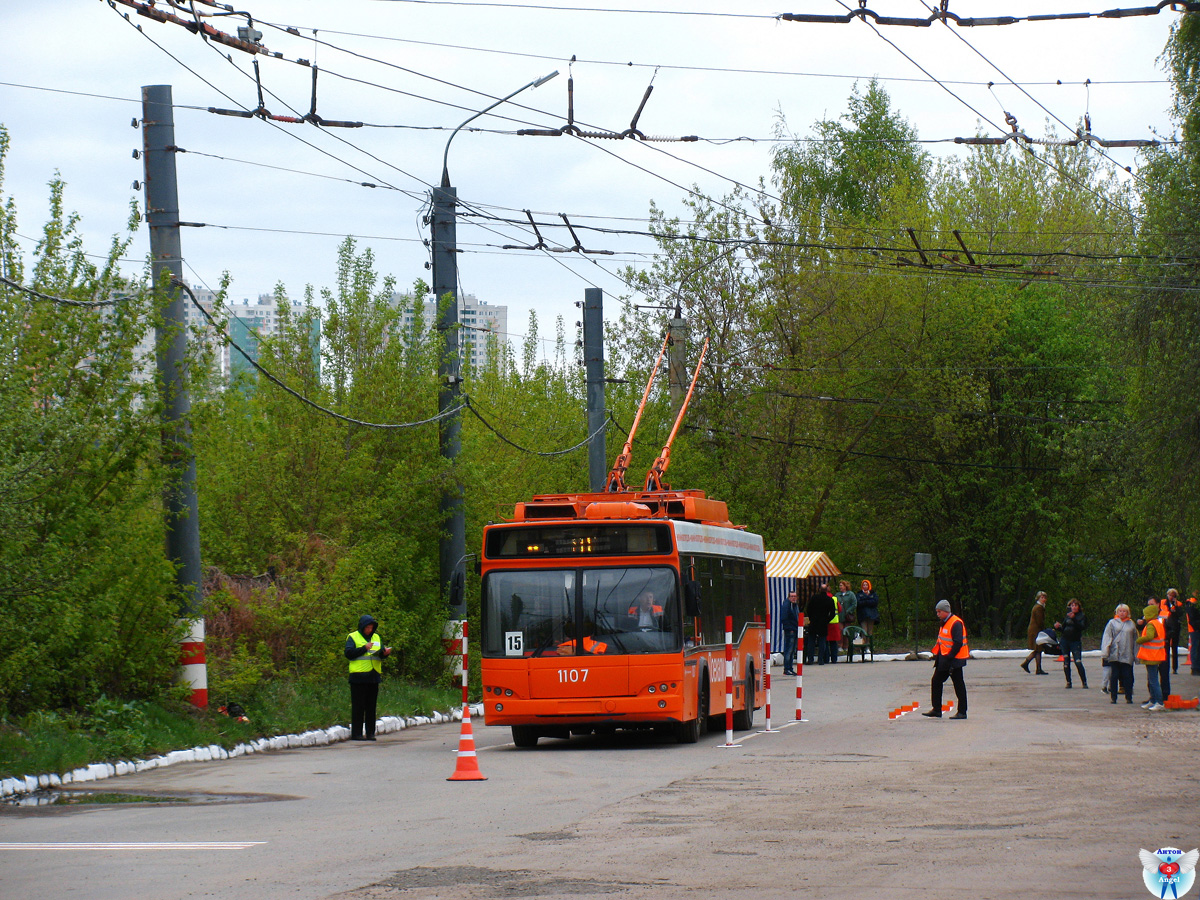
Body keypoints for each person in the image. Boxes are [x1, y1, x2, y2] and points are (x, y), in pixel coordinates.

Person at [345, 614, 393, 741]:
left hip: (373, 676)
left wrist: (385, 653)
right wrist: (364, 648)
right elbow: (349, 654)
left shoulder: (376, 637)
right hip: (358, 677)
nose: (370, 630)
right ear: (362, 627)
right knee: (358, 707)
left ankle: (370, 733)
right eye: (367, 627)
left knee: (371, 707)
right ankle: (357, 733)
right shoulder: (353, 637)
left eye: (372, 627)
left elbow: (379, 654)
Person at [922, 599, 968, 719]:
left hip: (954, 660)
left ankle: (962, 712)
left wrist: (950, 657)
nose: (938, 614)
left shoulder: (956, 622)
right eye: (937, 612)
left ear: (946, 611)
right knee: (936, 681)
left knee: (958, 685)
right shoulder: (945, 622)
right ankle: (937, 709)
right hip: (944, 659)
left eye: (939, 612)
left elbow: (958, 643)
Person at [1099, 604, 1137, 704]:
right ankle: (1113, 697)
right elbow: (1107, 637)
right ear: (1116, 612)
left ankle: (1129, 697)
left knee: (1127, 676)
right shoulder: (1111, 623)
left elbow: (1135, 640)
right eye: (1120, 611)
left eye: (1124, 611)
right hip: (1114, 654)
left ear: (1128, 612)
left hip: (1127, 654)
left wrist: (1136, 654)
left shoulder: (1131, 624)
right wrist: (1105, 651)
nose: (1122, 613)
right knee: (1114, 676)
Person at [1136, 603, 1167, 711]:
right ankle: (1153, 700)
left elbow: (1149, 636)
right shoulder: (1158, 623)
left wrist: (1139, 640)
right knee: (1152, 679)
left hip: (1151, 655)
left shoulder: (1151, 624)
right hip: (1156, 654)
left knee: (1153, 680)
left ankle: (1158, 701)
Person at [1054, 598, 1088, 688]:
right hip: (1065, 641)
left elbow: (1082, 627)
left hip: (1075, 641)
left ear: (1079, 607)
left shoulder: (1081, 616)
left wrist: (1074, 619)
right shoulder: (1068, 616)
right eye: (1072, 605)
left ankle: (1084, 682)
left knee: (1078, 661)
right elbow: (1063, 629)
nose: (1073, 607)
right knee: (1066, 662)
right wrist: (1058, 627)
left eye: (1075, 605)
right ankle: (1068, 682)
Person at [806, 582, 836, 665]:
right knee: (822, 642)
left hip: (814, 622)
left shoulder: (814, 598)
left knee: (811, 641)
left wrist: (811, 618)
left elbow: (808, 609)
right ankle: (820, 660)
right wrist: (827, 620)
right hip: (823, 623)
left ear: (819, 589)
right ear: (826, 590)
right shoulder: (830, 600)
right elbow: (833, 613)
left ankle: (810, 659)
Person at [1021, 591, 1049, 674]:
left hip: (1036, 630)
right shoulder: (1038, 608)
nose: (1043, 599)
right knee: (1038, 648)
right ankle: (1027, 663)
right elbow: (1039, 621)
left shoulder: (1040, 607)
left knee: (1038, 649)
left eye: (1045, 597)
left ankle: (1037, 668)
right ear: (1038, 598)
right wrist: (1044, 630)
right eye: (1042, 597)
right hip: (1035, 630)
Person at [1164, 588, 1187, 675]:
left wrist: (1175, 606)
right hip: (1166, 626)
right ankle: (1165, 666)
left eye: (1173, 596)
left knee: (1174, 648)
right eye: (1170, 595)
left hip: (1175, 626)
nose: (1171, 597)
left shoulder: (1178, 604)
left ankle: (1175, 668)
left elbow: (1180, 614)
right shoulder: (1163, 603)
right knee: (1165, 647)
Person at [780, 589, 800, 676]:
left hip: (794, 629)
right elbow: (784, 617)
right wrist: (789, 627)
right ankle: (787, 668)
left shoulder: (794, 605)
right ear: (789, 597)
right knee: (789, 649)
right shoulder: (787, 605)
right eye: (792, 596)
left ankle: (790, 667)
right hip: (790, 630)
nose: (793, 598)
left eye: (794, 596)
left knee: (792, 650)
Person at [855, 579, 880, 649]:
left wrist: (865, 601)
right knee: (864, 631)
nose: (865, 586)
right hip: (862, 615)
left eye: (866, 585)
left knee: (870, 631)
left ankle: (869, 646)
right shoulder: (859, 594)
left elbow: (875, 602)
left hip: (872, 615)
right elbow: (858, 603)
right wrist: (868, 601)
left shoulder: (873, 594)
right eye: (864, 585)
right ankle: (863, 646)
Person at [837, 580, 858, 657]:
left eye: (841, 585)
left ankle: (846, 646)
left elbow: (854, 603)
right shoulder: (837, 595)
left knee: (847, 631)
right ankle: (839, 645)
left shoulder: (851, 594)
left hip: (847, 616)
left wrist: (849, 610)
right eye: (840, 585)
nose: (840, 587)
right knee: (840, 630)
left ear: (845, 586)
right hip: (839, 616)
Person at [1186, 596, 1200, 676]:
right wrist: (1197, 627)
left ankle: (1196, 667)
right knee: (1195, 648)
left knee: (1197, 648)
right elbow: (1192, 618)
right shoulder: (1191, 604)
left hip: (1195, 628)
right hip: (1194, 629)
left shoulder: (1192, 603)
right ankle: (1195, 667)